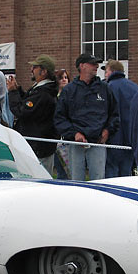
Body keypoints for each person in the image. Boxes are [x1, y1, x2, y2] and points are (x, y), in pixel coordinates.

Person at [54, 53, 119, 181]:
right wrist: (74, 134)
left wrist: (107, 131)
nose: (96, 66)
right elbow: (59, 118)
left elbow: (115, 114)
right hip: (75, 143)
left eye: (97, 63)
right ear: (82, 66)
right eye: (92, 63)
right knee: (76, 180)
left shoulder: (105, 89)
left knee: (99, 181)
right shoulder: (69, 90)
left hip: (98, 142)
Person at [8, 55, 58, 173]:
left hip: (39, 148)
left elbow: (21, 111)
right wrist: (18, 90)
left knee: (39, 181)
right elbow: (28, 102)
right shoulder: (41, 90)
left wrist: (13, 92)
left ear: (44, 71)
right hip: (36, 146)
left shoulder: (44, 93)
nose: (31, 70)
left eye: (35, 67)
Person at [102, 60, 138, 178]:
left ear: (112, 71)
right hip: (130, 137)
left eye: (106, 71)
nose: (105, 74)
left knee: (111, 171)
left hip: (113, 136)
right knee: (126, 172)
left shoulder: (107, 88)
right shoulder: (135, 88)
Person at [53, 69, 70, 179]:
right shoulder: (54, 97)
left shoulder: (70, 95)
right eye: (61, 78)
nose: (64, 80)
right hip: (57, 138)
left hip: (67, 137)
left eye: (66, 77)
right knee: (60, 169)